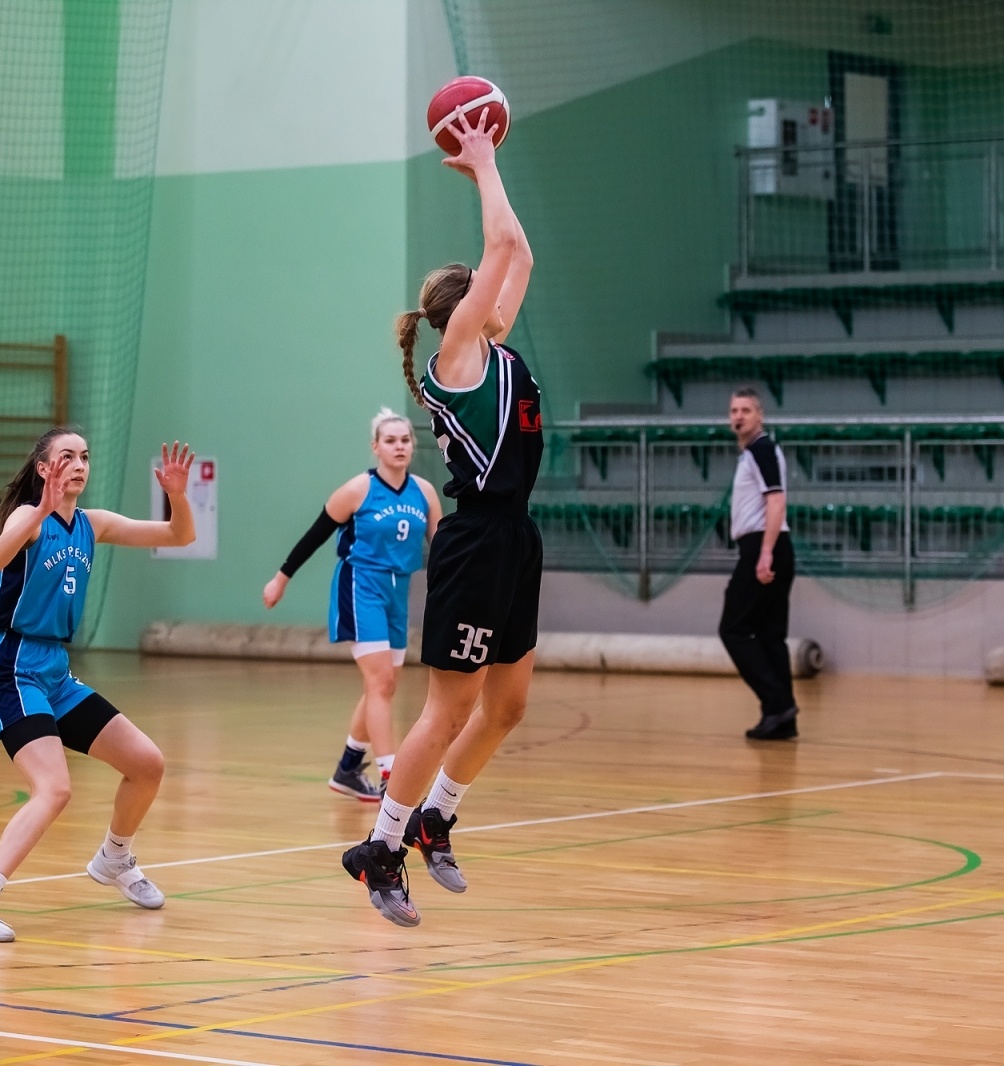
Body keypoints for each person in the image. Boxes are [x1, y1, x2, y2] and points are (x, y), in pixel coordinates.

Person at [340, 105, 539, 927]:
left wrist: (479, 168)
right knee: (447, 709)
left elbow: (516, 250)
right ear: (468, 307)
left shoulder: (501, 349)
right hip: (473, 542)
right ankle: (379, 846)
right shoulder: (456, 358)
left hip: (517, 539)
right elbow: (498, 251)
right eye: (489, 289)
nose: (504, 287)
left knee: (509, 707)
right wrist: (485, 159)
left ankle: (437, 816)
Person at [0, 429, 195, 943]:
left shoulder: (91, 524)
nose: (79, 464)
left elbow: (179, 537)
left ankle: (114, 857)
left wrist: (176, 494)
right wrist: (37, 513)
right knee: (54, 788)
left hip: (55, 670)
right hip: (13, 666)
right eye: (67, 456)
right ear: (44, 468)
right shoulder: (27, 519)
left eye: (84, 456)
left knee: (147, 764)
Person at [261, 408, 441, 800]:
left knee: (382, 686)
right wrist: (281, 578)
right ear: (376, 447)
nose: (399, 446)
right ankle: (392, 776)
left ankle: (347, 769)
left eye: (405, 440)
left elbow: (441, 548)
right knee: (382, 682)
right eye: (390, 440)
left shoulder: (424, 492)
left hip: (398, 592)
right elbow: (316, 534)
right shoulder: (359, 489)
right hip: (361, 586)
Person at [720, 387, 797, 740]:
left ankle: (778, 702)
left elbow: (776, 503)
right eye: (734, 411)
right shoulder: (754, 452)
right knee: (769, 635)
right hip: (771, 546)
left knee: (733, 628)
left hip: (763, 546)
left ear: (759, 415)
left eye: (745, 410)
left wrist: (765, 553)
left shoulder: (761, 449)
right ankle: (781, 718)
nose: (738, 416)